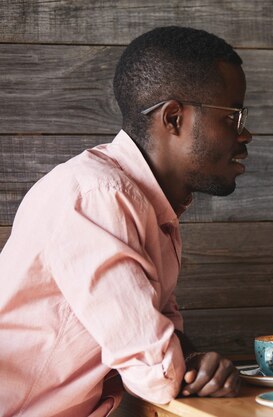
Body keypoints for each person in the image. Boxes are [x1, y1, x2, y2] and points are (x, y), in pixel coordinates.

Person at [0, 26, 252, 416]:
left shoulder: (148, 206)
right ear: (173, 118)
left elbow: (161, 333)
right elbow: (158, 375)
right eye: (233, 117)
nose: (246, 134)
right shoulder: (98, 198)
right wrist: (183, 363)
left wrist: (197, 358)